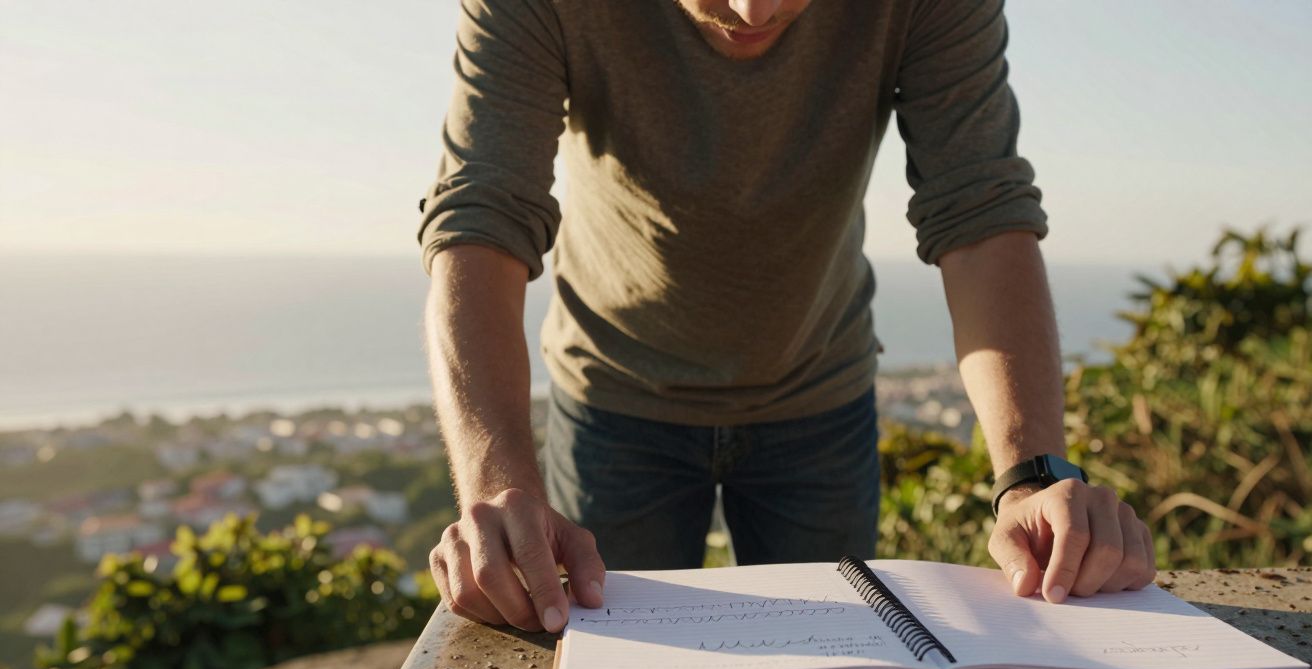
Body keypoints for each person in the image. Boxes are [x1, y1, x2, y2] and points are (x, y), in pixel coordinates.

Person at [419, 0, 1157, 635]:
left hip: (819, 399)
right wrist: (496, 490)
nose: (755, 12)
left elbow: (980, 215)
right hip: (615, 393)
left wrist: (1031, 476)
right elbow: (480, 218)